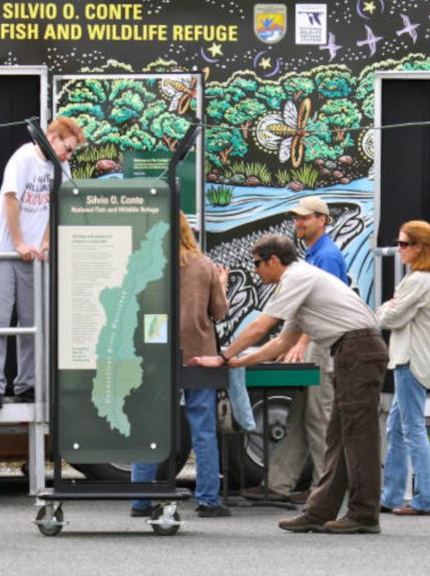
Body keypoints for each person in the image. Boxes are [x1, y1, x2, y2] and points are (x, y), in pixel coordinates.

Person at [192, 234, 388, 534]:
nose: (255, 270)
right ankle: (319, 511)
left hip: (358, 350)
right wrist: (237, 362)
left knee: (358, 437)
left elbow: (262, 326)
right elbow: (284, 340)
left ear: (274, 260)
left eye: (257, 264)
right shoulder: (299, 283)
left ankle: (364, 515)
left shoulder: (297, 276)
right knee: (336, 437)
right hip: (352, 350)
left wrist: (223, 356)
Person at [0, 116, 85, 409]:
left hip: (34, 257)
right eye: (68, 148)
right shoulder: (23, 158)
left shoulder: (60, 167)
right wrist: (18, 242)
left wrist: (46, 241)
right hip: (2, 250)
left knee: (33, 321)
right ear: (53, 137)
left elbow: (56, 204)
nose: (68, 156)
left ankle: (27, 383)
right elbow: (10, 199)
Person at [242, 196, 345, 503]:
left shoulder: (327, 257)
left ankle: (324, 491)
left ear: (323, 220)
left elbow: (326, 311)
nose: (299, 223)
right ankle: (277, 484)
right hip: (313, 343)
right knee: (299, 418)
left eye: (306, 218)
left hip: (321, 346)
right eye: (297, 218)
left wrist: (301, 344)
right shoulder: (312, 254)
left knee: (318, 419)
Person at [131, 214, 232, 518]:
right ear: (189, 231)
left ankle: (140, 499)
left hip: (156, 355)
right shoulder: (204, 265)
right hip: (198, 355)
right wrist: (222, 284)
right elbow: (219, 311)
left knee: (149, 425)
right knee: (203, 429)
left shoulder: (148, 263)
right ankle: (208, 500)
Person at [378, 221, 430, 516]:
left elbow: (389, 319)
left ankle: (426, 499)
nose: (399, 249)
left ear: (420, 248)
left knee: (412, 428)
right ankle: (391, 495)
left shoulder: (419, 280)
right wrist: (391, 307)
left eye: (404, 244)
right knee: (398, 427)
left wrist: (386, 308)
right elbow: (394, 313)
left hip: (411, 359)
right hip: (415, 357)